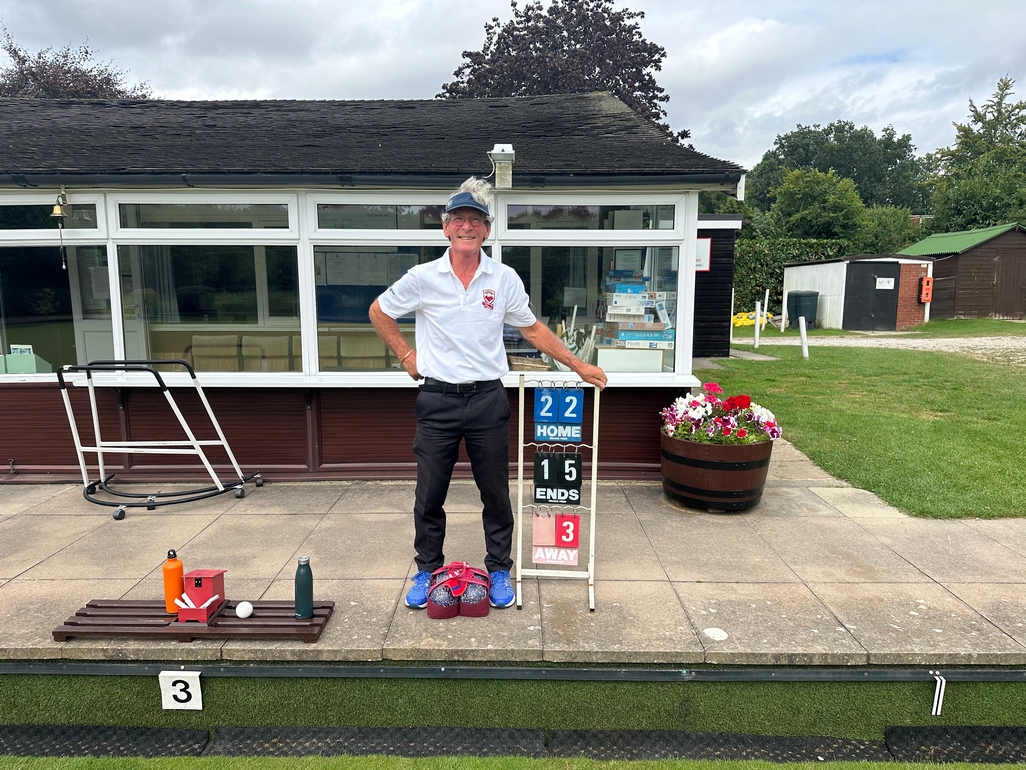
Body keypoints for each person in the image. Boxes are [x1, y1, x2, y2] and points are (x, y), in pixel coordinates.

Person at [369, 177, 607, 610]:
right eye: (459, 219)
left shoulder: (504, 278)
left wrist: (578, 365)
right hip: (437, 400)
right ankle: (426, 570)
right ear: (446, 228)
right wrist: (405, 355)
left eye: (475, 220)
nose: (467, 227)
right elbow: (379, 310)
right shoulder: (423, 277)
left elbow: (531, 329)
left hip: (487, 400)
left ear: (487, 229)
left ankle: (499, 569)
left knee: (495, 493)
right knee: (429, 494)